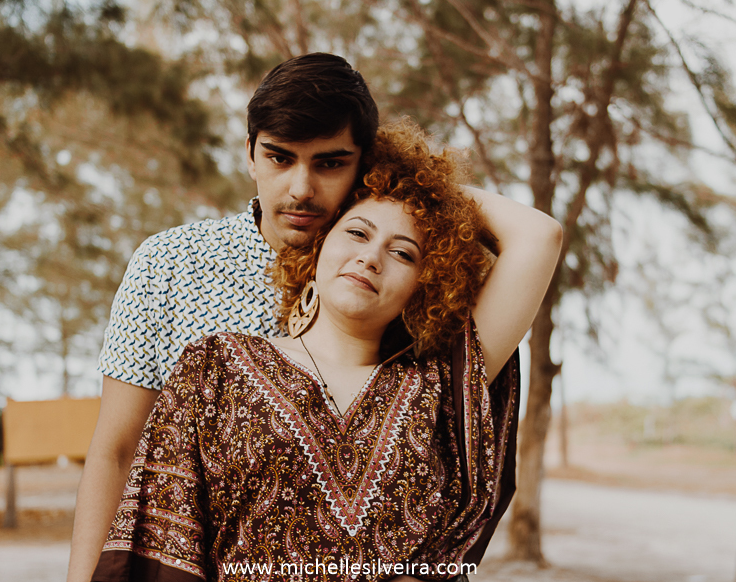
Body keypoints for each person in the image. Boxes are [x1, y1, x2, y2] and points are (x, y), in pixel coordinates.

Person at [90, 119, 563, 581]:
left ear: (425, 287)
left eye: (403, 253)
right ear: (316, 249)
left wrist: (422, 188)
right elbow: (163, 546)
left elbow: (539, 236)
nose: (371, 257)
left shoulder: (441, 386)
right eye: (357, 232)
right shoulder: (212, 368)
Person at [67, 53, 380, 582]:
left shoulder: (389, 280)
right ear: (250, 155)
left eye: (329, 163)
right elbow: (115, 451)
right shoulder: (169, 264)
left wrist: (410, 181)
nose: (301, 188)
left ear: (364, 163)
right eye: (280, 158)